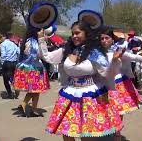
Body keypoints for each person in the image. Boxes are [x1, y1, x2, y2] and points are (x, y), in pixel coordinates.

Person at [39, 10, 123, 141]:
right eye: (72, 33)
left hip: (90, 96)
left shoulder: (95, 53)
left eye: (77, 33)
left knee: (85, 133)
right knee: (67, 132)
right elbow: (47, 57)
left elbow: (107, 74)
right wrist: (41, 39)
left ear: (86, 34)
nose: (74, 36)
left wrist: (114, 61)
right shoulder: (66, 50)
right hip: (69, 94)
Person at [99, 26, 142, 141]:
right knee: (104, 110)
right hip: (103, 85)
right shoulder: (96, 53)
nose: (104, 40)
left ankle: (117, 133)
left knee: (118, 110)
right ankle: (109, 131)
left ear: (112, 39)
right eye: (102, 38)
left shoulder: (118, 51)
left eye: (107, 38)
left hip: (117, 84)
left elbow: (133, 56)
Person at [13, 29, 50, 117]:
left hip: (26, 68)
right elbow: (41, 55)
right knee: (35, 90)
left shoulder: (27, 41)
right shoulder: (35, 43)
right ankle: (25, 105)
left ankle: (33, 109)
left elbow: (24, 53)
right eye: (41, 31)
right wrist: (43, 42)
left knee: (35, 90)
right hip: (34, 68)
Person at [0, 33, 20, 99]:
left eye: (1, 37)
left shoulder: (3, 44)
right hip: (14, 63)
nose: (0, 39)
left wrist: (3, 63)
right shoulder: (14, 44)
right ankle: (16, 87)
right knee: (12, 77)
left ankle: (10, 93)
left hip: (7, 62)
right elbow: (19, 52)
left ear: (4, 37)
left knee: (6, 80)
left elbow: (3, 55)